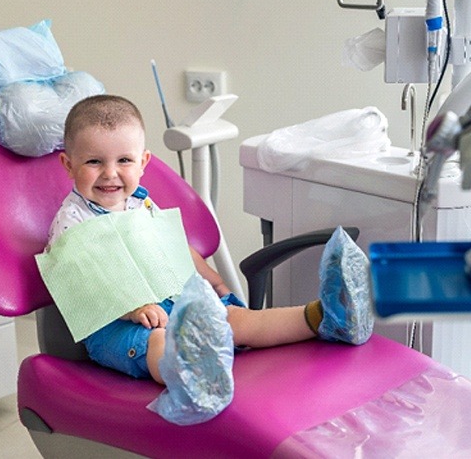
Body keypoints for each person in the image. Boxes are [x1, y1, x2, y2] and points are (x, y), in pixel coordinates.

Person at [47, 94, 373, 386]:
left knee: (238, 320)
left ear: (143, 163)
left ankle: (327, 317)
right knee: (159, 341)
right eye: (94, 161)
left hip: (174, 301)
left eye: (124, 161)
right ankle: (194, 373)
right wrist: (130, 308)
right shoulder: (72, 221)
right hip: (118, 324)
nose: (110, 173)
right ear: (68, 164)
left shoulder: (141, 203)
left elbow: (171, 248)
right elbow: (80, 281)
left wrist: (211, 278)